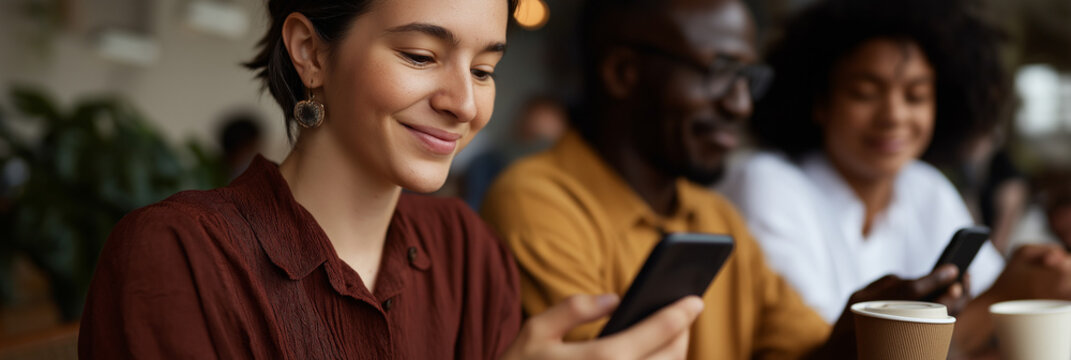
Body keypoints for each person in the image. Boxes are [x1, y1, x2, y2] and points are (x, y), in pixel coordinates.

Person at [78, 0, 704, 358]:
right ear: (310, 52)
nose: (464, 103)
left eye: (485, 69)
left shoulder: (467, 250)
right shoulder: (179, 253)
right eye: (421, 57)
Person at [481, 0, 971, 358]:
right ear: (623, 72)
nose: (739, 105)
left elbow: (807, 352)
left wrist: (862, 326)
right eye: (720, 72)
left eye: (747, 80)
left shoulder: (714, 214)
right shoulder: (538, 201)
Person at [720, 0, 1071, 355]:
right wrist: (1003, 298)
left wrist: (1032, 280)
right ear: (820, 101)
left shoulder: (926, 186)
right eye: (865, 93)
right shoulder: (766, 183)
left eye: (916, 96)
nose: (894, 115)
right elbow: (827, 349)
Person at [463, 95, 567, 210]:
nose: (533, 151)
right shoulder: (485, 164)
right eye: (529, 138)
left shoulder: (562, 180)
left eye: (542, 142)